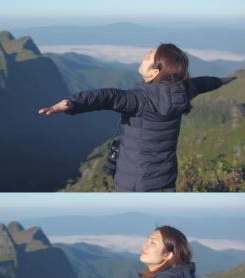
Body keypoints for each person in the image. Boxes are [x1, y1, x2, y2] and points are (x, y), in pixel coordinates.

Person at [39, 43, 233, 192]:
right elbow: (204, 83)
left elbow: (106, 97)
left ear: (155, 72)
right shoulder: (183, 90)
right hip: (165, 180)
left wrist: (70, 103)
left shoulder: (139, 99)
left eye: (149, 56)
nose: (144, 55)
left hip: (133, 183)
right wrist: (224, 80)